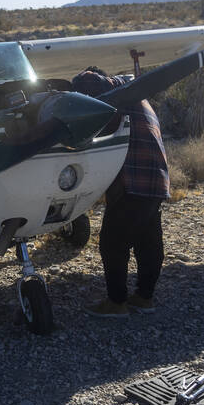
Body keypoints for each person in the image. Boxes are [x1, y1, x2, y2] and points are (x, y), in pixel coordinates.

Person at [71, 68, 171, 318]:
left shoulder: (101, 84)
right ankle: (144, 298)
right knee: (148, 241)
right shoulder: (138, 95)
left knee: (113, 243)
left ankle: (116, 303)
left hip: (132, 178)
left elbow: (87, 82)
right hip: (156, 177)